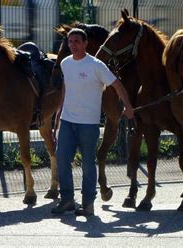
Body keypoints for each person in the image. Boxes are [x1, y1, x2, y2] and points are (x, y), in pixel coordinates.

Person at [51, 28, 134, 216]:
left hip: (88, 124)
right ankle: (67, 200)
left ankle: (88, 203)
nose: (73, 44)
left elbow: (117, 85)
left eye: (77, 41)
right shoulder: (65, 63)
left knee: (88, 163)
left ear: (85, 43)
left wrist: (127, 105)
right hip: (67, 121)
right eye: (70, 41)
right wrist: (58, 112)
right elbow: (66, 88)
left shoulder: (96, 65)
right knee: (62, 159)